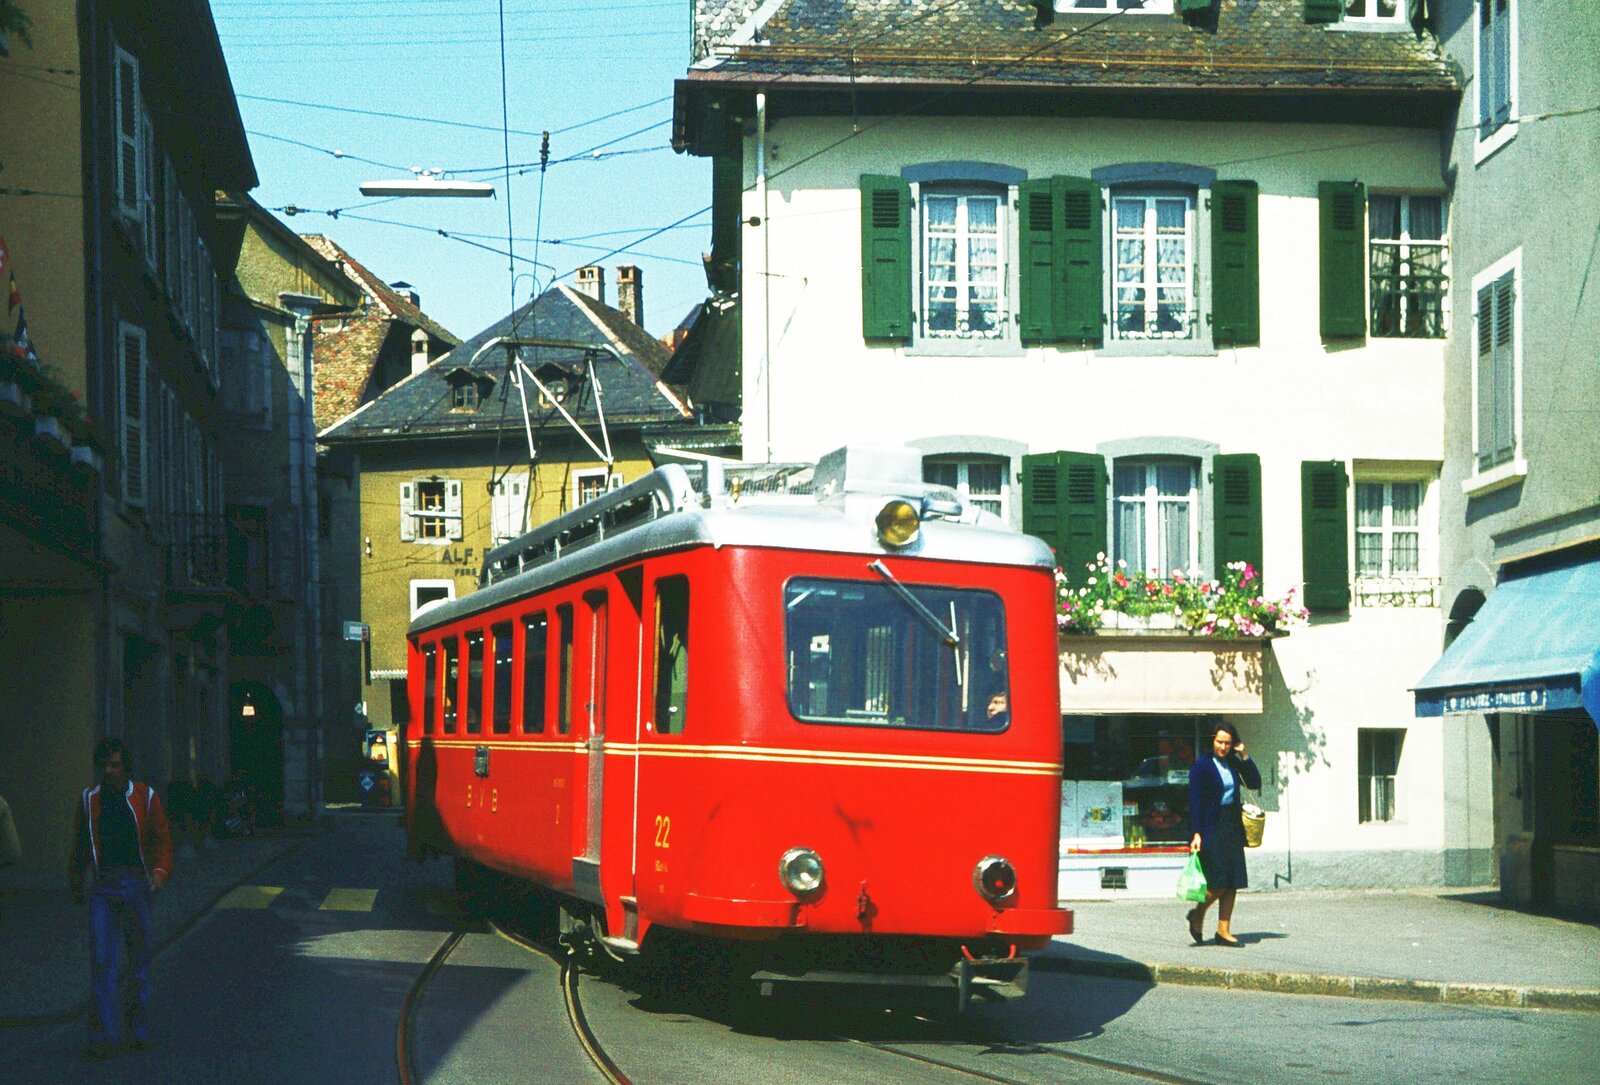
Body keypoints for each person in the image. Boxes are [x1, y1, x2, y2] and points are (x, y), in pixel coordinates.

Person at [68, 738, 174, 1059]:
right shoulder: (90, 799)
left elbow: (161, 839)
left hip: (137, 885)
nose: (108, 770)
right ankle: (102, 1035)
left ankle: (137, 1028)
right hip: (105, 887)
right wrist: (76, 880)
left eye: (114, 764)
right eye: (104, 764)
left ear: (125, 767)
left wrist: (159, 872)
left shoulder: (145, 796)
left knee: (139, 960)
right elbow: (81, 845)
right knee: (103, 961)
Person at [1185, 723, 1260, 948]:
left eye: (1227, 743)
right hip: (1211, 827)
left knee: (1233, 880)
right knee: (1218, 882)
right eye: (1220, 742)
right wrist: (1196, 832)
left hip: (1232, 825)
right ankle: (1198, 914)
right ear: (1212, 740)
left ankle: (1223, 931)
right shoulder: (1202, 765)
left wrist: (1244, 754)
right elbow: (1195, 801)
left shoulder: (1232, 762)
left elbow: (1255, 783)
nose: (1223, 746)